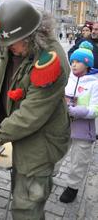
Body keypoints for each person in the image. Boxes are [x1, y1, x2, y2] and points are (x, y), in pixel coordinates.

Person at [0, 0, 70, 219]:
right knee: (20, 186)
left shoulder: (51, 60)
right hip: (16, 128)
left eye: (13, 45)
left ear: (32, 36)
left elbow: (32, 114)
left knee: (27, 204)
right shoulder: (10, 38)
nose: (7, 49)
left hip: (41, 139)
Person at [59, 41, 98, 203]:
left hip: (83, 131)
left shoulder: (94, 83)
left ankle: (72, 187)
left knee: (78, 160)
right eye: (73, 61)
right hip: (63, 126)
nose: (73, 65)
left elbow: (95, 109)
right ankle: (48, 175)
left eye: (78, 62)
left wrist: (76, 111)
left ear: (87, 64)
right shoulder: (68, 78)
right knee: (56, 153)